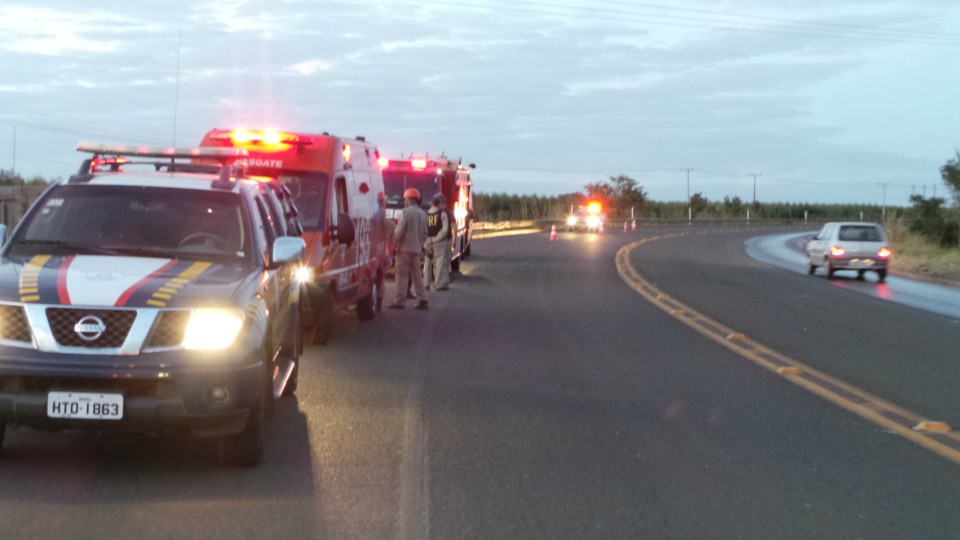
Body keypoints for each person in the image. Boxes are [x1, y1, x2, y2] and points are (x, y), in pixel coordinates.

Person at [388, 187, 429, 310]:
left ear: (410, 199)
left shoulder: (406, 212)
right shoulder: (423, 214)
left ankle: (399, 301)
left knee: (401, 276)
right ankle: (423, 299)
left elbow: (399, 231)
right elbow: (425, 233)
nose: (404, 201)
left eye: (405, 198)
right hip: (416, 250)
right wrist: (419, 245)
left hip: (404, 250)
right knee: (417, 276)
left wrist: (394, 244)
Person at [423, 193, 451, 291]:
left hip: (427, 242)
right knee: (439, 262)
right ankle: (438, 283)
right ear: (439, 204)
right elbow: (445, 230)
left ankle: (426, 283)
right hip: (439, 243)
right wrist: (435, 239)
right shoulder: (442, 214)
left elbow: (422, 229)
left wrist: (426, 239)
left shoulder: (425, 214)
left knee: (427, 262)